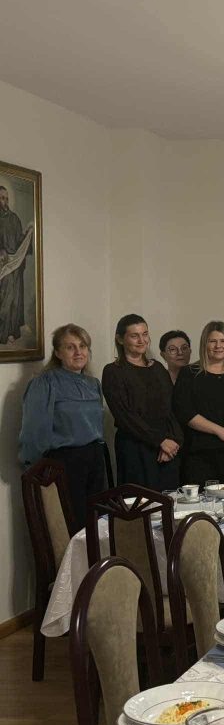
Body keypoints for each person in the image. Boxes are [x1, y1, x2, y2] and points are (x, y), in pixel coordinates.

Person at [19, 324, 106, 527]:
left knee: (97, 524)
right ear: (58, 353)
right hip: (65, 463)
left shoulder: (93, 384)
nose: (78, 352)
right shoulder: (45, 383)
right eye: (70, 347)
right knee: (73, 525)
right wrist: (36, 470)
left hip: (94, 459)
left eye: (82, 346)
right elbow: (34, 430)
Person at [102, 314, 183, 492]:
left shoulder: (158, 368)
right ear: (120, 339)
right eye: (134, 336)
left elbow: (170, 408)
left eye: (145, 334)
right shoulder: (113, 372)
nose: (142, 340)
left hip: (167, 450)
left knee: (170, 502)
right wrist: (159, 440)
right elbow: (125, 416)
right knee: (140, 503)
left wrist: (174, 440)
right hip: (136, 449)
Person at [173, 320, 224, 484]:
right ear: (205, 344)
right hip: (197, 454)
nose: (218, 346)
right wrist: (219, 431)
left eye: (223, 341)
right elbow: (185, 412)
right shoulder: (189, 374)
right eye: (213, 341)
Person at [0, 185, 32, 344]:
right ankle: (2, 333)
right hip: (3, 265)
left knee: (15, 299)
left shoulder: (14, 218)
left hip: (16, 265)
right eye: (2, 198)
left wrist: (28, 234)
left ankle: (12, 331)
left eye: (6, 198)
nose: (5, 201)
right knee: (5, 298)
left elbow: (20, 241)